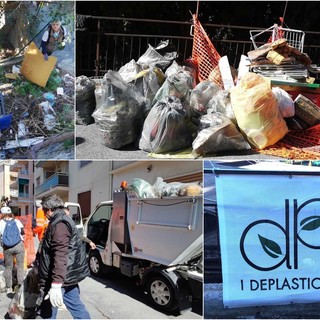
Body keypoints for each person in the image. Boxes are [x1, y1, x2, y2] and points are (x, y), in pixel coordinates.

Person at [36, 195, 90, 319]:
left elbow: (60, 254)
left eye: (44, 212)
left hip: (58, 278)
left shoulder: (59, 223)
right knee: (77, 308)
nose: (45, 215)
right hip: (66, 276)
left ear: (49, 210)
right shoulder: (62, 219)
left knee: (46, 313)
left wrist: (55, 284)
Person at [0, 207, 25, 294]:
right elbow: (22, 232)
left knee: (8, 267)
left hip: (7, 247)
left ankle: (9, 287)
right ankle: (20, 285)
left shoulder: (1, 223)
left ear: (2, 214)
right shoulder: (17, 221)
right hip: (19, 245)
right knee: (20, 266)